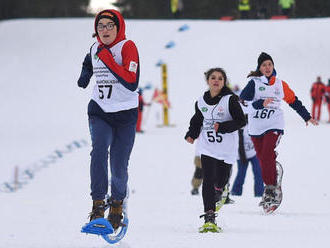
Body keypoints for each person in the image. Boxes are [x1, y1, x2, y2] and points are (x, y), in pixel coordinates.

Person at [77, 9, 140, 230]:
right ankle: (97, 204)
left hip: (125, 114)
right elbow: (89, 60)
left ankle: (116, 204)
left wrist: (108, 60)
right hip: (100, 110)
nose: (104, 30)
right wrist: (85, 76)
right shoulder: (95, 48)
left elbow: (131, 81)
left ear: (118, 27)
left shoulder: (127, 47)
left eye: (109, 26)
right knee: (99, 150)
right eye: (100, 26)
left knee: (119, 164)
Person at [240, 52, 318, 213]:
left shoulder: (280, 84)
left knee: (267, 154)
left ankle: (270, 190)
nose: (267, 67)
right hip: (255, 127)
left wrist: (307, 116)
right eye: (264, 65)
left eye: (269, 64)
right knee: (263, 159)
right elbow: (243, 102)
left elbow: (293, 101)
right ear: (259, 68)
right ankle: (272, 171)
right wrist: (260, 103)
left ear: (273, 66)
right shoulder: (253, 83)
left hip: (274, 124)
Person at [185, 68, 246, 232]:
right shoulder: (201, 102)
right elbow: (197, 121)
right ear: (208, 81)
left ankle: (222, 189)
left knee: (220, 181)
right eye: (213, 78)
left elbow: (241, 121)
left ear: (224, 81)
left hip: (227, 149)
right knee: (208, 180)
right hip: (208, 147)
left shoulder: (230, 100)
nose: (216, 80)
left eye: (220, 78)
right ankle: (209, 217)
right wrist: (191, 134)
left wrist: (224, 127)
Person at [231, 104, 264, 198]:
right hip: (242, 155)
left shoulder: (254, 124)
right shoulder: (239, 127)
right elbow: (239, 143)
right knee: (241, 174)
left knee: (258, 173)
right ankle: (235, 193)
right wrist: (242, 157)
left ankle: (260, 194)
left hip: (254, 153)